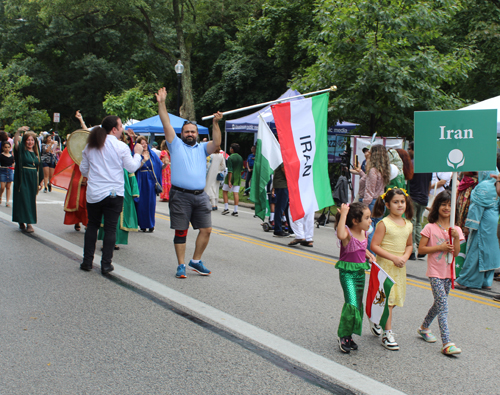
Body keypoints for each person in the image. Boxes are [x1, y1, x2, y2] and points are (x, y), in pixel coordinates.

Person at [155, 87, 222, 279]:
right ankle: (181, 265)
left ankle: (195, 261)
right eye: (187, 131)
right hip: (180, 195)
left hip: (200, 196)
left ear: (197, 133)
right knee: (181, 231)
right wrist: (162, 103)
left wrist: (216, 123)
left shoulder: (202, 148)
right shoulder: (174, 144)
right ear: (181, 133)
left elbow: (217, 144)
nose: (190, 134)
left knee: (206, 229)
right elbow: (166, 122)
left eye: (193, 131)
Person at [79, 116, 143, 274]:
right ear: (114, 129)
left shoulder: (90, 146)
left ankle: (87, 261)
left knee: (92, 226)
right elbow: (131, 167)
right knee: (110, 229)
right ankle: (106, 264)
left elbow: (84, 170)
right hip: (114, 193)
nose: (122, 129)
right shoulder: (121, 146)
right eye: (121, 126)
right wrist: (138, 154)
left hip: (94, 192)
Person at [417, 190, 463, 355]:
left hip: (449, 273)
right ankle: (447, 342)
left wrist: (456, 238)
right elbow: (421, 249)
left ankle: (424, 327)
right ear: (437, 207)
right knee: (443, 306)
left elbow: (456, 253)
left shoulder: (455, 229)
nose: (446, 208)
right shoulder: (430, 227)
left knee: (438, 304)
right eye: (443, 204)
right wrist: (440, 247)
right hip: (435, 272)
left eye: (450, 205)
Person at [370, 188, 413, 350]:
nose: (400, 205)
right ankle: (387, 334)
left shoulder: (408, 224)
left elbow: (409, 245)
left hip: (400, 267)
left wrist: (404, 257)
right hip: (386, 266)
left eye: (402, 201)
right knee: (387, 299)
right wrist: (393, 257)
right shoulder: (384, 223)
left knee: (394, 299)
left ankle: (376, 319)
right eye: (396, 202)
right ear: (387, 204)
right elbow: (374, 245)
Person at [334, 202, 375, 353]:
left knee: (357, 305)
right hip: (347, 273)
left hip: (359, 273)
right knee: (351, 303)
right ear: (355, 221)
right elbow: (340, 234)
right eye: (367, 218)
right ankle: (343, 335)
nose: (370, 220)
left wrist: (369, 255)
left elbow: (361, 249)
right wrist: (343, 214)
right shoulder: (347, 233)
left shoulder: (364, 233)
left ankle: (349, 335)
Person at [456, 170, 500, 290]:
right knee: (490, 252)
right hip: (494, 222)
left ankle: (466, 280)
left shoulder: (484, 186)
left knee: (476, 251)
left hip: (483, 223)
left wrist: (468, 226)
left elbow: (476, 209)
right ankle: (487, 282)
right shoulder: (497, 185)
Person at [12, 126, 44, 233]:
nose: (30, 142)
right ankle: (28, 223)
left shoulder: (36, 153)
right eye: (28, 140)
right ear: (25, 141)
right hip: (23, 177)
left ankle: (22, 220)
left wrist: (41, 180)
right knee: (23, 198)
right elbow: (16, 142)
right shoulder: (21, 151)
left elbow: (40, 167)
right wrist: (18, 131)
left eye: (32, 140)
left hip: (32, 178)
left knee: (30, 200)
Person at [407, 141, 432, 260]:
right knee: (417, 223)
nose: (408, 152)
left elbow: (408, 180)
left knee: (411, 222)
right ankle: (420, 245)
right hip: (423, 197)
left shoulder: (411, 164)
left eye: (409, 149)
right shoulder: (427, 164)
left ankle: (412, 250)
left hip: (413, 196)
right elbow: (429, 182)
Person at [134, 136, 162, 232]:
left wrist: (165, 164)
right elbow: (134, 168)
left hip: (151, 181)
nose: (144, 144)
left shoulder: (152, 154)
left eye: (145, 142)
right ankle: (142, 224)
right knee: (141, 203)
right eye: (142, 143)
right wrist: (143, 160)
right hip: (141, 179)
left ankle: (150, 224)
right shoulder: (137, 155)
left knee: (151, 203)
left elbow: (159, 165)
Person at [221, 143, 243, 216]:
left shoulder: (230, 157)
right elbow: (242, 169)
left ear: (232, 149)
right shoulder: (240, 157)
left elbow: (230, 170)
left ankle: (226, 208)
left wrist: (229, 180)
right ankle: (235, 210)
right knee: (235, 193)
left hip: (231, 176)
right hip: (238, 177)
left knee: (225, 191)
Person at [205, 145, 226, 210]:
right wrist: (218, 169)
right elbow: (223, 166)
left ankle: (212, 204)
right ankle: (216, 204)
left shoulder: (210, 156)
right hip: (217, 174)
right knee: (216, 188)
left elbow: (206, 165)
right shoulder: (221, 156)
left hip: (210, 173)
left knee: (209, 188)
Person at [272, 163, 289, 237]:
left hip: (282, 185)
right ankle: (278, 229)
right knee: (280, 207)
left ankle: (290, 228)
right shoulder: (283, 156)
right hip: (282, 185)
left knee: (286, 207)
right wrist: (290, 179)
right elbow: (283, 169)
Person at [0, 141, 15, 207]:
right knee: (2, 187)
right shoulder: (1, 155)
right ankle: (0, 196)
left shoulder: (11, 156)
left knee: (8, 187)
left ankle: (7, 201)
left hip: (9, 171)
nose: (7, 149)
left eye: (8, 147)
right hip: (2, 171)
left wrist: (13, 166)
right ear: (3, 148)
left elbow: (13, 163)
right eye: (5, 147)